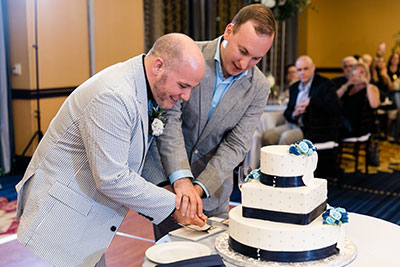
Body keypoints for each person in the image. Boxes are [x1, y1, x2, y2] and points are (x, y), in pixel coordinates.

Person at [15, 33, 206, 267]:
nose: (185, 96)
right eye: (183, 86)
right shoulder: (113, 96)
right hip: (62, 220)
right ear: (158, 66)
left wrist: (168, 187)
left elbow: (136, 156)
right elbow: (111, 178)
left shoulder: (141, 85)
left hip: (86, 221)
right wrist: (173, 206)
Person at [143, 4, 276, 240]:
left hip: (213, 192)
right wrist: (180, 181)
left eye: (256, 58)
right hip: (167, 185)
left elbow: (236, 144)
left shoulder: (259, 87)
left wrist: (198, 188)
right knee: (169, 256)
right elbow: (169, 119)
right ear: (228, 32)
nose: (244, 64)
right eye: (242, 51)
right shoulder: (191, 57)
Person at [262, 55, 340, 145]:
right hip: (294, 124)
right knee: (267, 136)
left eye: (305, 69)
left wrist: (311, 101)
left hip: (314, 129)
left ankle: (284, 159)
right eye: (299, 70)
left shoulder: (325, 84)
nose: (302, 72)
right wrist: (294, 113)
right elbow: (287, 112)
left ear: (313, 68)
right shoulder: (294, 88)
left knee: (286, 138)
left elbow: (334, 109)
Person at [337, 62, 380, 138]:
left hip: (360, 125)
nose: (359, 75)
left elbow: (374, 105)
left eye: (362, 72)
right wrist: (347, 84)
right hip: (345, 122)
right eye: (356, 72)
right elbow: (334, 98)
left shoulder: (371, 88)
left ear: (367, 74)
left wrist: (367, 84)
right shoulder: (349, 87)